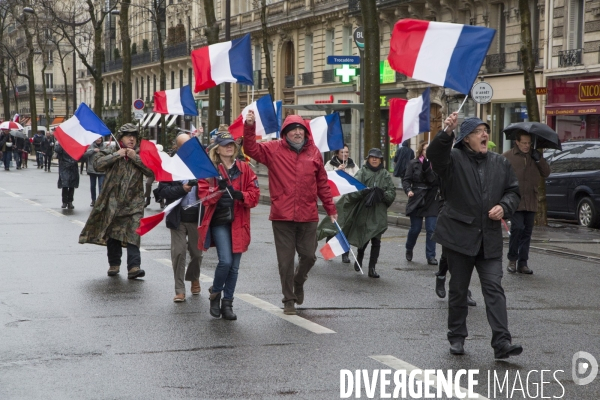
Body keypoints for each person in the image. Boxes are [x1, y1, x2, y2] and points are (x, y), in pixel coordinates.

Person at [428, 115, 522, 359]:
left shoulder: (499, 163)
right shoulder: (453, 159)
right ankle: (457, 337)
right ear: (466, 138)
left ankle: (502, 343)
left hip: (489, 239)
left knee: (494, 288)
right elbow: (434, 156)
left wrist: (504, 206)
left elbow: (513, 191)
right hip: (459, 237)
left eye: (486, 130)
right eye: (478, 131)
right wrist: (446, 130)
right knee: (459, 289)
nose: (485, 135)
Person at [243, 111, 337, 315]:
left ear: (305, 132)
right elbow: (250, 148)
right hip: (282, 216)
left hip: (308, 215)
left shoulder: (314, 153)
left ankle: (298, 280)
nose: (297, 132)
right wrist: (249, 126)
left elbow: (322, 183)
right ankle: (288, 299)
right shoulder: (273, 149)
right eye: (293, 129)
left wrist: (330, 208)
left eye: (300, 129)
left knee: (309, 256)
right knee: (285, 262)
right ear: (285, 132)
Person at [79, 123, 154, 280]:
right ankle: (114, 264)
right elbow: (97, 164)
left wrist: (136, 158)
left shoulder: (141, 153)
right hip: (113, 201)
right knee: (113, 233)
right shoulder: (111, 150)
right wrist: (117, 155)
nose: (131, 139)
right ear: (121, 138)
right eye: (128, 136)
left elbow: (152, 171)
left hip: (134, 203)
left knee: (134, 233)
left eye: (134, 136)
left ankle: (134, 267)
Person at [199, 130, 260, 319]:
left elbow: (255, 194)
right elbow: (203, 195)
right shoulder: (210, 170)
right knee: (225, 261)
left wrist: (242, 195)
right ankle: (215, 294)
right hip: (219, 221)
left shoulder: (244, 168)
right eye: (225, 144)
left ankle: (228, 303)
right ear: (217, 149)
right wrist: (218, 192)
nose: (229, 147)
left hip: (239, 221)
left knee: (234, 267)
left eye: (231, 144)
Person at [319, 148, 396, 278]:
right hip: (363, 212)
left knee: (376, 241)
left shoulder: (385, 174)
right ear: (368, 159)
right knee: (364, 238)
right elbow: (353, 190)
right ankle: (359, 260)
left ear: (381, 160)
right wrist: (363, 192)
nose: (375, 159)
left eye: (377, 158)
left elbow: (392, 193)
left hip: (378, 214)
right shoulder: (362, 172)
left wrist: (382, 195)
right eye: (372, 157)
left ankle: (372, 268)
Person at [156, 134, 204, 303]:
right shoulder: (169, 167)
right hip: (177, 217)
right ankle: (179, 289)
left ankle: (194, 277)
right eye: (182, 146)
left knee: (197, 254)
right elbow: (162, 192)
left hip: (196, 217)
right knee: (178, 253)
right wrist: (183, 189)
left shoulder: (201, 164)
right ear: (176, 147)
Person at [502, 131, 550, 275]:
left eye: (529, 143)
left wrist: (538, 159)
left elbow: (546, 172)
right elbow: (499, 176)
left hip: (531, 200)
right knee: (517, 228)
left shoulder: (534, 156)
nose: (526, 146)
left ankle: (523, 263)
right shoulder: (508, 156)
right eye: (524, 143)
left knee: (527, 233)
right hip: (515, 200)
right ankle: (512, 259)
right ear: (517, 142)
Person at [403, 141, 440, 265]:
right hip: (417, 197)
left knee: (431, 228)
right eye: (425, 149)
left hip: (432, 198)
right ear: (421, 151)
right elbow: (406, 180)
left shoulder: (437, 164)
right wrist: (408, 190)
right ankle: (409, 247)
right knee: (416, 228)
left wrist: (427, 168)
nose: (427, 152)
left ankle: (431, 256)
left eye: (429, 150)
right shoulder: (413, 163)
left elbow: (434, 181)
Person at [324, 143, 359, 263]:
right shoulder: (329, 164)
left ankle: (345, 254)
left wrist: (347, 174)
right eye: (342, 152)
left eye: (347, 152)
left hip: (348, 201)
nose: (345, 154)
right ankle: (329, 249)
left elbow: (358, 178)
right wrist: (337, 172)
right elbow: (324, 178)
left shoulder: (353, 165)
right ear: (337, 153)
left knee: (346, 227)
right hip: (335, 201)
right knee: (334, 227)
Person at [84, 137, 107, 207]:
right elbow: (85, 155)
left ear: (102, 139)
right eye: (97, 138)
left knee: (101, 185)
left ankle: (100, 201)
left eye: (100, 138)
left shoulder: (105, 146)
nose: (98, 140)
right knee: (92, 186)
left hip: (102, 169)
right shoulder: (90, 145)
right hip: (92, 169)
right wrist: (93, 150)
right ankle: (93, 200)